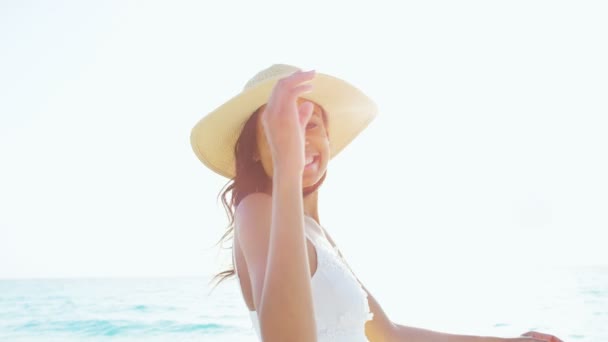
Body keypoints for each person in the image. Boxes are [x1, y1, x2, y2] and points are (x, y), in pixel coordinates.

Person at [190, 64, 563, 342]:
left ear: (330, 140)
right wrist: (287, 166)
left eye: (312, 124)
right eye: (282, 127)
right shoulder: (255, 209)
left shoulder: (319, 235)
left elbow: (389, 334)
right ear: (254, 151)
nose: (300, 139)